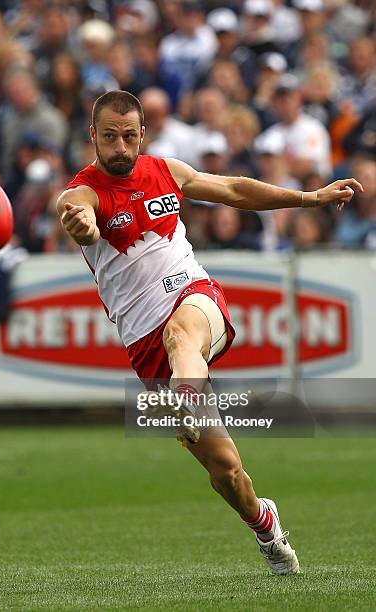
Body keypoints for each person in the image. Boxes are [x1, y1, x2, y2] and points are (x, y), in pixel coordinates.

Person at [56, 90, 362, 576]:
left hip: (195, 299)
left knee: (182, 335)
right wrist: (82, 227)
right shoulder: (81, 194)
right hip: (144, 343)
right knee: (227, 473)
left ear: (143, 135)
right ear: (93, 135)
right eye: (110, 137)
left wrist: (310, 197)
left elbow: (236, 190)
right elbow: (86, 225)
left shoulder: (168, 172)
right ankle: (264, 522)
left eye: (129, 136)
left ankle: (186, 398)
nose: (120, 147)